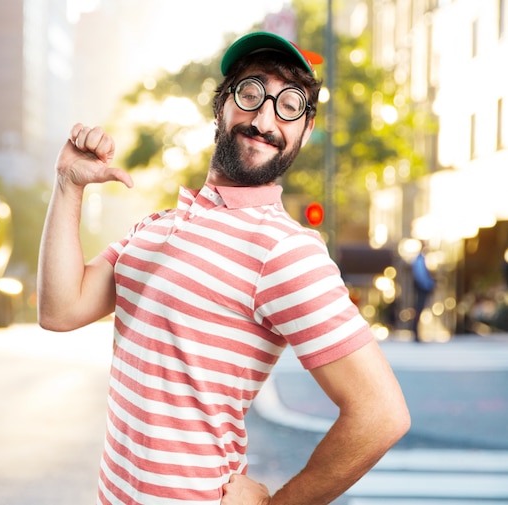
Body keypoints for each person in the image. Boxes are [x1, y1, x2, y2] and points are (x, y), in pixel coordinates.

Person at [38, 31, 410, 505]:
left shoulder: (286, 250)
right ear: (221, 106)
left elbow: (381, 415)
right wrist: (68, 185)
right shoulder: (155, 227)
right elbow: (60, 309)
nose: (264, 119)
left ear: (306, 129)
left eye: (289, 105)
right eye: (251, 93)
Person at [411, 246, 435, 342]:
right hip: (422, 288)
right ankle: (415, 332)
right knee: (418, 310)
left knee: (419, 310)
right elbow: (421, 276)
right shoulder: (420, 260)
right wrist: (429, 285)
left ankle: (416, 332)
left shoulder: (420, 260)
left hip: (422, 287)